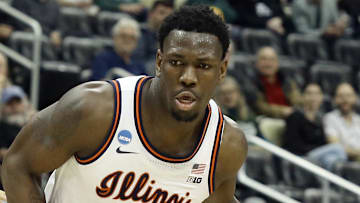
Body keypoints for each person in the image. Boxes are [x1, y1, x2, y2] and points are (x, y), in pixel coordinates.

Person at [1, 5, 247, 203]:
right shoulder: (94, 109)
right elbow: (18, 164)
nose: (188, 78)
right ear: (159, 62)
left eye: (203, 66)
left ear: (222, 70)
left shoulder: (226, 145)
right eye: (176, 62)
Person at [251, 46, 301, 119]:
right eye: (264, 59)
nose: (268, 63)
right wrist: (283, 111)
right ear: (257, 63)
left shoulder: (286, 80)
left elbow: (297, 100)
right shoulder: (252, 82)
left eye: (272, 59)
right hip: (267, 119)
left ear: (277, 63)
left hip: (291, 117)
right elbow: (259, 106)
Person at [282, 83, 326, 156]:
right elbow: (293, 145)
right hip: (300, 157)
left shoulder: (322, 118)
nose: (313, 97)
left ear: (321, 97)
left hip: (319, 156)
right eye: (309, 93)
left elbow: (323, 143)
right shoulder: (295, 116)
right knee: (337, 149)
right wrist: (316, 150)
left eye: (317, 94)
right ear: (303, 96)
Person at [323, 83, 360, 162]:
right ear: (335, 99)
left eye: (348, 96)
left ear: (355, 98)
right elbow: (336, 146)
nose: (345, 100)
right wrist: (357, 153)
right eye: (341, 96)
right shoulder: (330, 118)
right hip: (345, 160)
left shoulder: (358, 119)